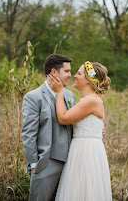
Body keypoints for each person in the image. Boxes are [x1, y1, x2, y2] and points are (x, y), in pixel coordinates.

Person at [47, 61, 112, 201]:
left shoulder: (91, 101)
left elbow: (63, 118)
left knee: (84, 189)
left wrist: (59, 92)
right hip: (83, 149)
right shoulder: (87, 100)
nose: (75, 76)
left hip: (86, 153)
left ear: (88, 81)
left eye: (79, 73)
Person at [21, 54, 75, 201]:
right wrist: (34, 164)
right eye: (67, 71)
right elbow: (28, 133)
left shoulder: (69, 95)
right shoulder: (34, 97)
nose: (70, 75)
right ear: (53, 72)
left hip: (69, 166)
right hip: (45, 164)